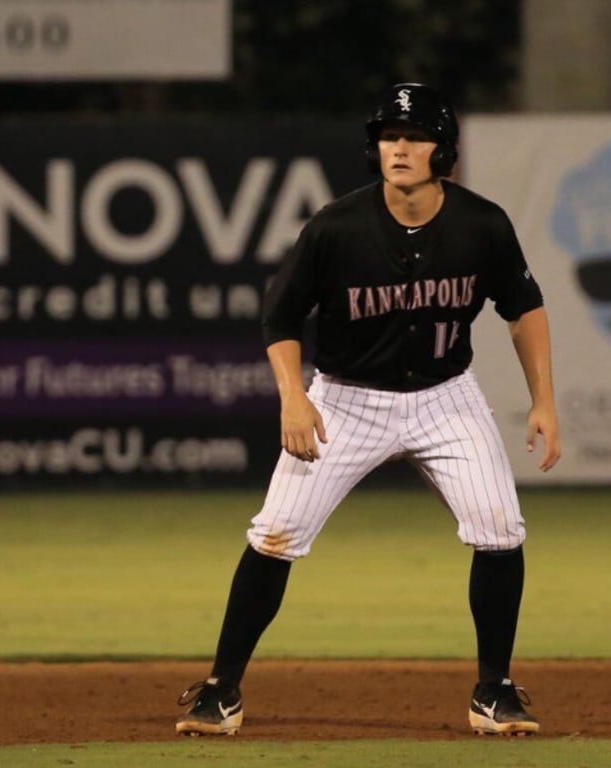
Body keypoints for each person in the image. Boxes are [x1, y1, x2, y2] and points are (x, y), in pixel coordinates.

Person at [175, 82, 561, 738]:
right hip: (346, 399)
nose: (399, 148)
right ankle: (221, 689)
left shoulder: (482, 224)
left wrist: (544, 400)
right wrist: (293, 396)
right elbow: (281, 312)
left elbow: (524, 310)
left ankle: (494, 690)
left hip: (446, 397)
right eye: (389, 136)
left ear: (445, 151)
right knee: (275, 533)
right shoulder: (337, 226)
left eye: (414, 136)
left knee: (500, 528)